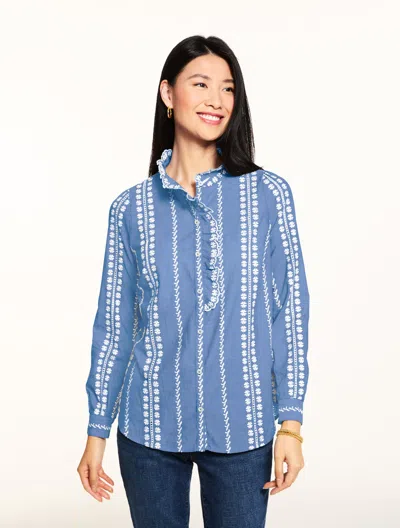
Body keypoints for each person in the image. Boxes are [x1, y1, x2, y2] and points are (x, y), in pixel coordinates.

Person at [77, 34, 310, 528]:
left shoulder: (268, 195)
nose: (216, 100)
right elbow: (116, 327)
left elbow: (288, 314)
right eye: (201, 84)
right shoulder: (131, 209)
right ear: (168, 93)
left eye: (228, 88)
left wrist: (290, 423)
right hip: (148, 431)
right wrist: (97, 430)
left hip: (243, 429)